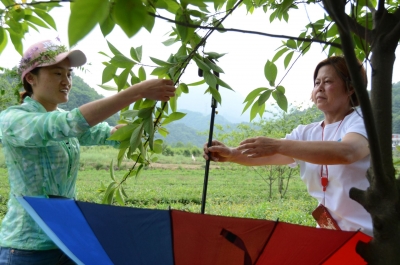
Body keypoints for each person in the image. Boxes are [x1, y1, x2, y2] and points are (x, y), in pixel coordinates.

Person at [0, 39, 176, 264]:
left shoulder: (61, 118)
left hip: (66, 241)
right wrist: (137, 92)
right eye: (57, 73)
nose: (66, 81)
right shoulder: (14, 119)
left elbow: (104, 133)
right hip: (27, 248)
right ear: (30, 78)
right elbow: (69, 123)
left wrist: (136, 128)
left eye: (69, 74)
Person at [204, 56, 373, 236]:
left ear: (351, 88)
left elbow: (348, 152)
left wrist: (278, 145)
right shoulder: (306, 133)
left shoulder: (363, 121)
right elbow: (269, 154)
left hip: (367, 237)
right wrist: (231, 154)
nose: (320, 88)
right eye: (316, 83)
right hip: (328, 236)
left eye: (328, 81)